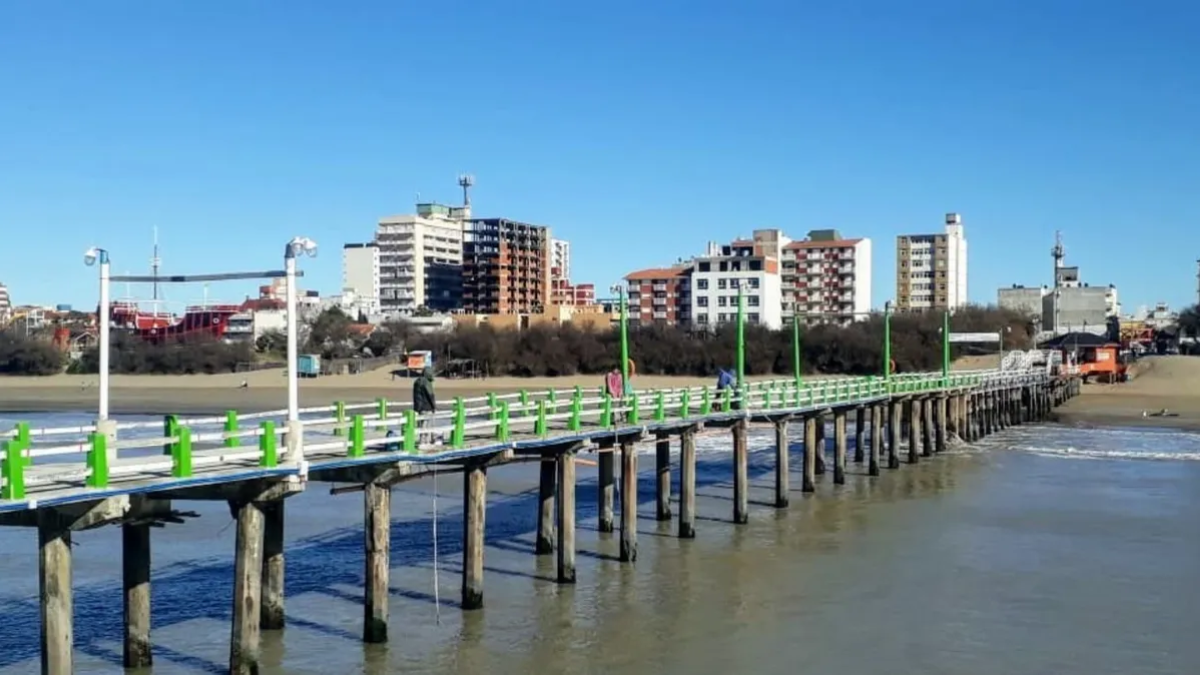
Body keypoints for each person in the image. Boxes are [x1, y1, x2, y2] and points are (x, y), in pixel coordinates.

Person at [413, 366, 436, 445]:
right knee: (427, 426)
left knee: (421, 425)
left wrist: (416, 408)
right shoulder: (426, 383)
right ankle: (426, 442)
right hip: (427, 407)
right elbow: (430, 395)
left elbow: (415, 396)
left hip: (419, 407)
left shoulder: (417, 382)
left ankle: (421, 441)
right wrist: (434, 406)